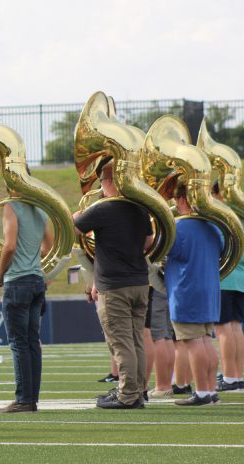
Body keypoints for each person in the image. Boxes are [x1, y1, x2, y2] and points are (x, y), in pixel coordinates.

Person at [73, 160, 153, 409]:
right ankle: (137, 390)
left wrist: (76, 213)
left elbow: (74, 226)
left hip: (114, 285)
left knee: (121, 342)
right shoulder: (139, 208)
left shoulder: (102, 209)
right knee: (136, 340)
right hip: (140, 282)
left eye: (101, 182)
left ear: (107, 181)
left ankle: (127, 394)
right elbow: (149, 241)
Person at [0, 196, 53, 413]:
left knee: (18, 343)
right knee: (32, 342)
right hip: (37, 281)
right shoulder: (40, 208)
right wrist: (30, 257)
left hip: (17, 282)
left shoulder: (11, 207)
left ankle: (24, 400)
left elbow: (9, 246)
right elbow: (48, 247)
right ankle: (31, 399)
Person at [165, 184, 224, 406]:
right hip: (208, 289)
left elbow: (162, 249)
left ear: (182, 199)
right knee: (206, 340)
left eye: (175, 197)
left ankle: (201, 392)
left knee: (193, 342)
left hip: (186, 289)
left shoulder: (179, 227)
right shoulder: (212, 226)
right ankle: (209, 391)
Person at [212, 184, 244, 392]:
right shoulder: (239, 219)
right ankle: (238, 375)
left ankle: (231, 377)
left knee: (224, 329)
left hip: (224, 279)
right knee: (235, 327)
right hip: (240, 280)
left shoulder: (223, 220)